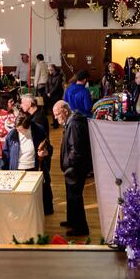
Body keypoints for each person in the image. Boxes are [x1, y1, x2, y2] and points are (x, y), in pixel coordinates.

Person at [53, 100, 92, 236]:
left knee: (75, 197)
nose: (56, 118)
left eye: (57, 114)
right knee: (71, 196)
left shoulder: (74, 124)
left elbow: (75, 150)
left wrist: (67, 163)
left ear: (65, 110)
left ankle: (80, 228)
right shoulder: (71, 121)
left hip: (75, 168)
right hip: (72, 167)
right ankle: (72, 221)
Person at [20, 94, 53, 214]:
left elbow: (42, 139)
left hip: (42, 154)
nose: (21, 104)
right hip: (41, 153)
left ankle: (47, 208)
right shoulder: (35, 115)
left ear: (30, 104)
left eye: (23, 102)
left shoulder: (38, 118)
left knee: (44, 181)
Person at [45, 64, 64, 128]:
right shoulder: (49, 75)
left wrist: (50, 93)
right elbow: (47, 84)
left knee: (56, 109)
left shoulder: (59, 76)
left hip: (56, 95)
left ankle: (57, 123)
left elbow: (57, 86)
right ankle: (54, 122)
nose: (50, 72)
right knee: (52, 109)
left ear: (55, 69)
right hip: (50, 95)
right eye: (49, 70)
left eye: (51, 70)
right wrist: (47, 92)